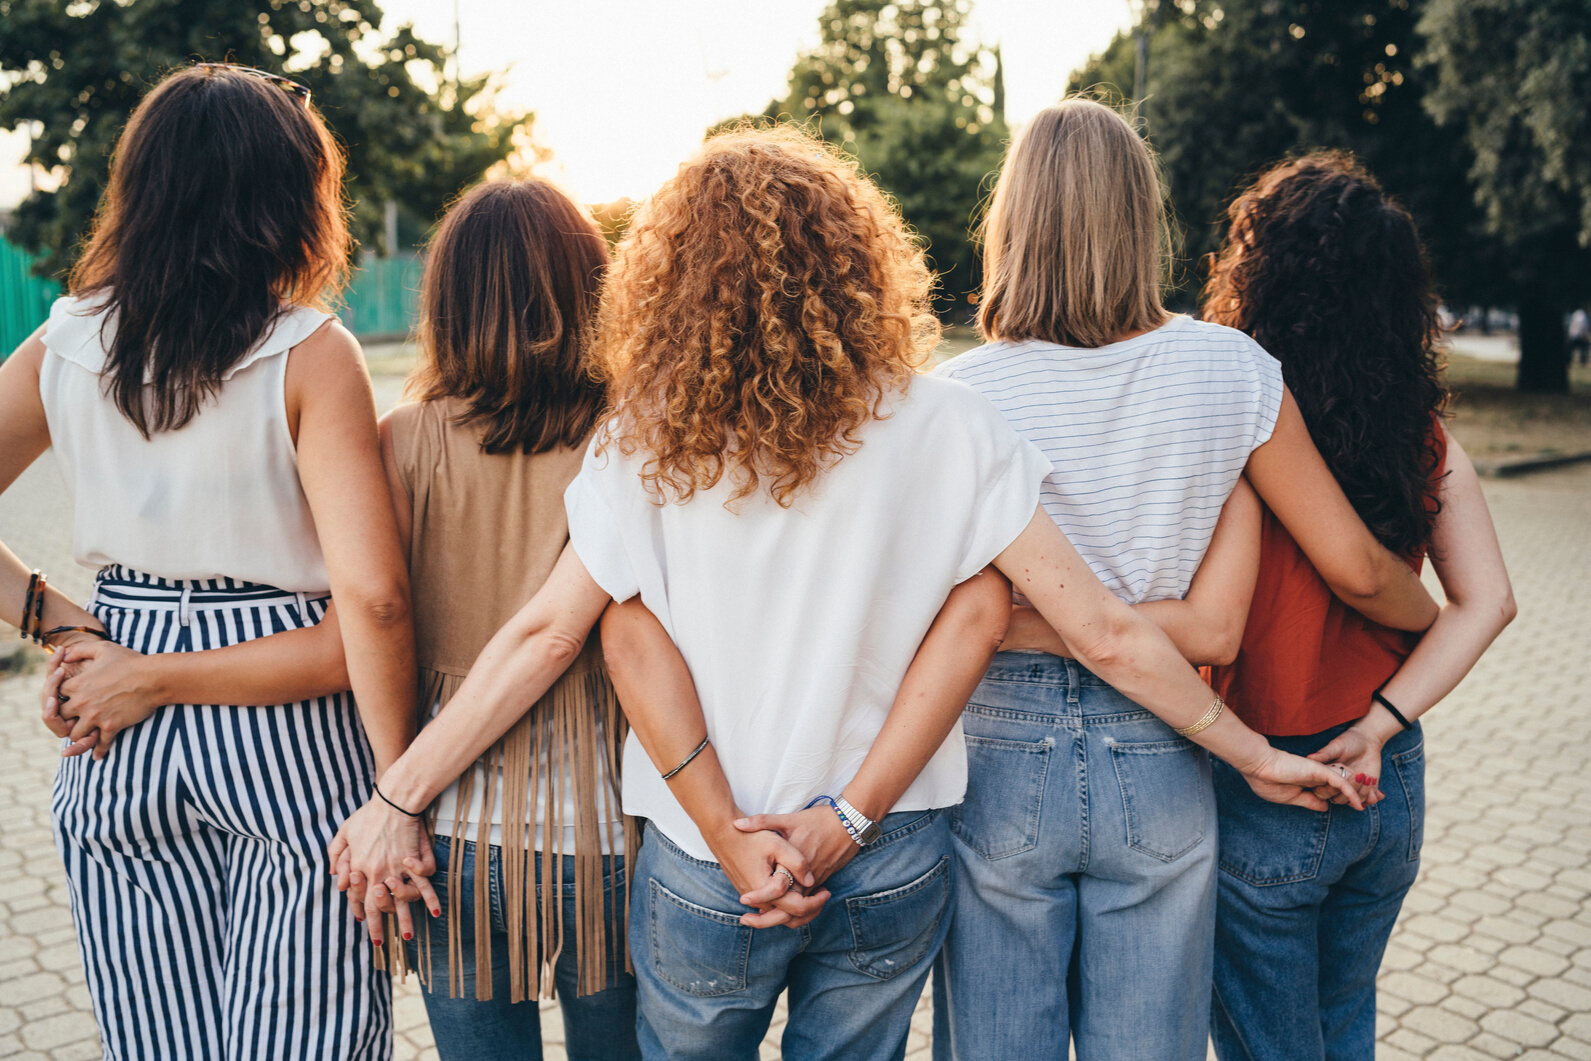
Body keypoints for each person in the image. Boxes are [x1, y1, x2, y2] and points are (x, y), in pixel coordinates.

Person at [331, 126, 1362, 1061]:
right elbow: (1092, 629)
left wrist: (401, 794)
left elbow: (561, 635)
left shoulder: (642, 440)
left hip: (704, 857)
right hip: (887, 848)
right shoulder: (947, 424)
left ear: (669, 280)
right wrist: (1253, 753)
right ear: (857, 258)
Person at [929, 98, 1440, 1061]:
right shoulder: (1232, 372)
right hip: (1160, 747)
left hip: (998, 752)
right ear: (1140, 218)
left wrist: (1031, 621)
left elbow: (941, 620)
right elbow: (1223, 627)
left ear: (1013, 222)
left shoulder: (960, 399)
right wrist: (1431, 623)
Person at [0, 64, 418, 1060]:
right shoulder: (308, 351)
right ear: (288, 199)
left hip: (115, 721)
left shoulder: (65, 343)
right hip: (287, 728)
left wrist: (68, 629)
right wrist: (401, 788)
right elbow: (372, 603)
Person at [1201, 152, 1516, 1061]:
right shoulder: (1420, 427)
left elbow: (1358, 574)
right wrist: (1382, 717)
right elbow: (1487, 601)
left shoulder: (1245, 415)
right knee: (1344, 1022)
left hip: (1271, 775)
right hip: (1387, 771)